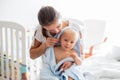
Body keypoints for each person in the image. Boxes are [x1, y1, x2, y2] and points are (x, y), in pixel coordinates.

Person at [29, 6, 83, 79]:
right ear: (44, 27)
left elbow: (80, 55)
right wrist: (45, 45)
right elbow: (32, 55)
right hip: (50, 69)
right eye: (51, 30)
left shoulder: (74, 29)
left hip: (68, 68)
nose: (57, 31)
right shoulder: (40, 31)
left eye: (58, 26)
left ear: (60, 17)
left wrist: (71, 63)